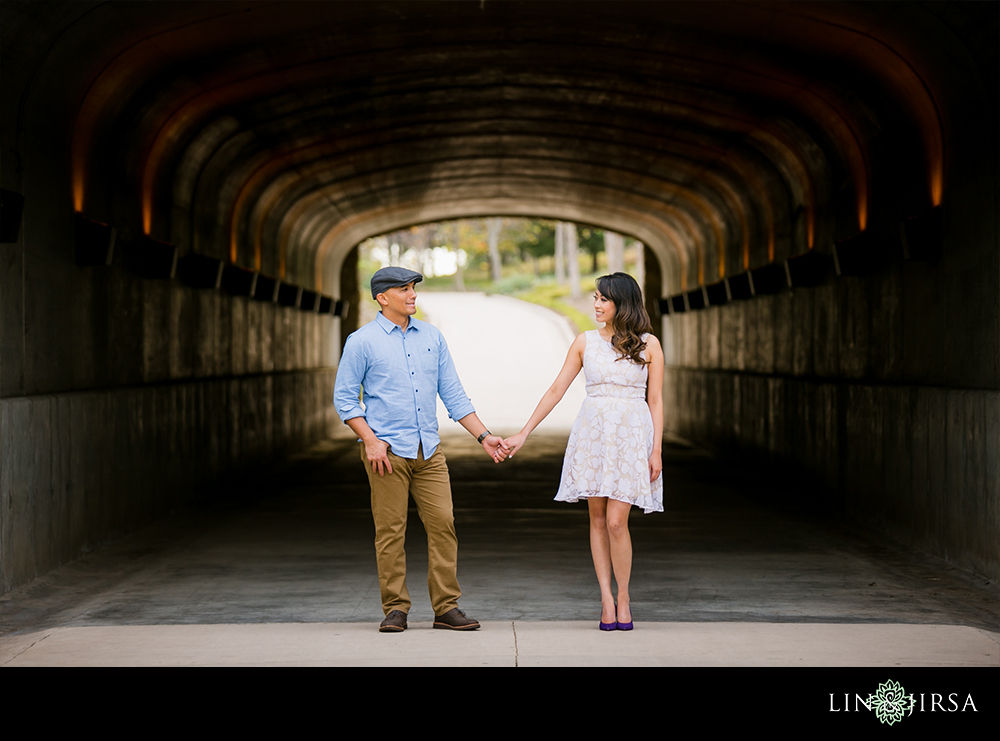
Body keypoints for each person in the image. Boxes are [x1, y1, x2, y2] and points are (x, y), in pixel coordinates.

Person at [334, 266, 509, 633]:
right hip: (387, 453)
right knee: (391, 531)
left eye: (413, 288)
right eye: (404, 289)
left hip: (429, 451)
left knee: (443, 524)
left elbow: (454, 394)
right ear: (383, 298)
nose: (412, 294)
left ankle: (446, 607)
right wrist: (370, 441)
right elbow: (346, 399)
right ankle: (395, 608)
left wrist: (484, 436)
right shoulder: (362, 341)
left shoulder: (431, 337)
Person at [504, 272, 663, 631]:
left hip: (632, 438)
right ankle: (606, 599)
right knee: (596, 519)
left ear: (622, 303)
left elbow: (655, 399)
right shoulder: (584, 342)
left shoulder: (649, 344)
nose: (595, 304)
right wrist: (524, 433)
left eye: (603, 299)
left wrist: (656, 450)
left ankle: (624, 596)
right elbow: (556, 390)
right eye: (595, 297)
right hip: (593, 436)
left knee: (616, 521)